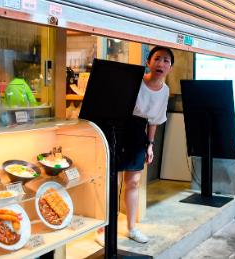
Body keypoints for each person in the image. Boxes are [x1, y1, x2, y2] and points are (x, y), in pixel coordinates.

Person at [97, 46, 173, 244]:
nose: (161, 64)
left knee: (133, 182)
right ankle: (101, 231)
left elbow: (154, 119)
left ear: (170, 68)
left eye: (166, 61)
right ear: (148, 62)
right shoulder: (134, 82)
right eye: (157, 58)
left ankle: (131, 228)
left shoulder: (165, 91)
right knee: (110, 182)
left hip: (138, 132)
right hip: (117, 128)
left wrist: (150, 144)